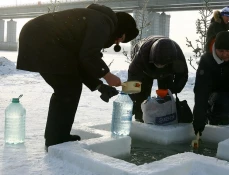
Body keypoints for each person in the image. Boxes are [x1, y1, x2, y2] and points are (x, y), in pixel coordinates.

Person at [16, 4, 139, 149]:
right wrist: (107, 75)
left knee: (68, 87)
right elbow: (88, 56)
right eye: (120, 39)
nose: (117, 42)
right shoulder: (103, 23)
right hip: (44, 40)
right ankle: (57, 139)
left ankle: (56, 136)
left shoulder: (97, 20)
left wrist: (99, 86)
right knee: (68, 89)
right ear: (121, 30)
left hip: (39, 37)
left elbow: (80, 62)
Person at [128, 35, 188, 122]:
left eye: (162, 65)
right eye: (157, 64)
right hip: (146, 69)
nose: (159, 66)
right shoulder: (142, 54)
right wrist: (133, 99)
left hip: (167, 72)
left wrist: (174, 90)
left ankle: (164, 117)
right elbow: (133, 74)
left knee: (165, 95)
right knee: (142, 96)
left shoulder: (177, 56)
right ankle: (140, 118)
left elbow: (183, 75)